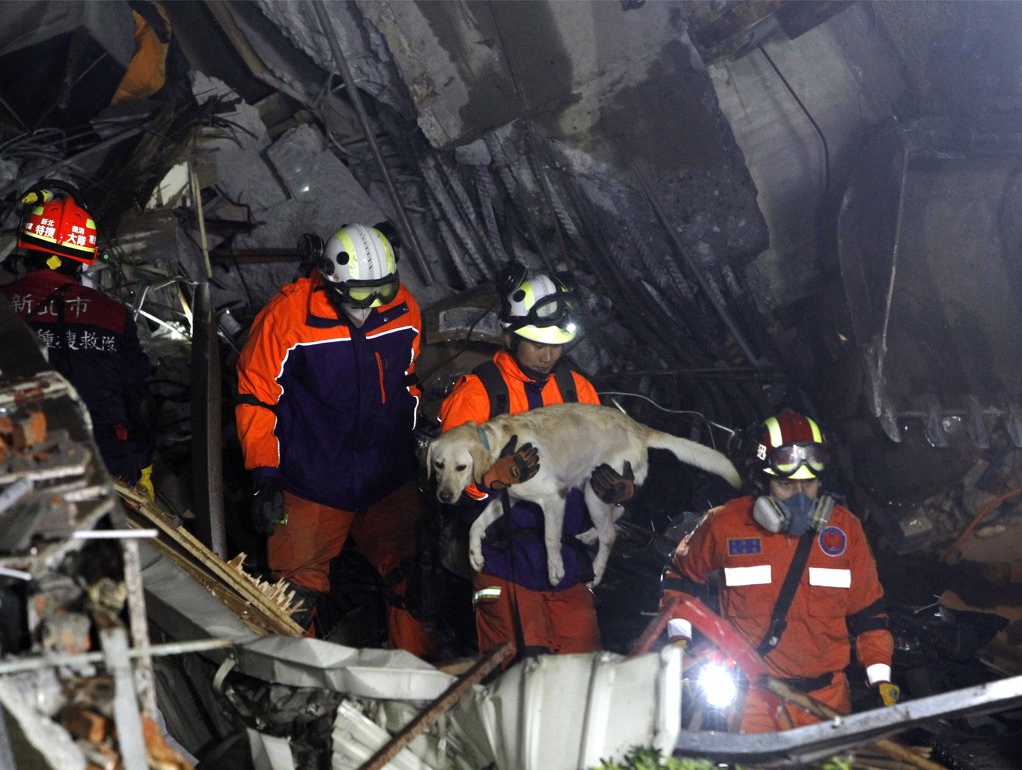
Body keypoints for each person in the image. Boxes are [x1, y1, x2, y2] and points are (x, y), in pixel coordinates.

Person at [235, 223, 434, 659]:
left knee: (415, 582)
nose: (374, 305)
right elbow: (256, 398)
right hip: (313, 480)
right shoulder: (289, 316)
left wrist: (415, 441)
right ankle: (303, 696)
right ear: (331, 280)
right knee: (292, 600)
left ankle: (416, 685)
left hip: (386, 479)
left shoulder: (403, 309)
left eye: (383, 290)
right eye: (361, 295)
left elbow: (408, 381)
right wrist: (264, 475)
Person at [437, 266, 633, 668]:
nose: (548, 355)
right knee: (517, 674)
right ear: (509, 336)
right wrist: (489, 479)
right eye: (537, 344)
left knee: (581, 670)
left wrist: (616, 488)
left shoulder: (577, 389)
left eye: (557, 344)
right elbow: (448, 489)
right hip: (502, 558)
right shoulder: (479, 394)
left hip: (565, 557)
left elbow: (607, 458)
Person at [662, 409, 895, 732]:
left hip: (826, 701)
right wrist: (679, 646)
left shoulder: (845, 531)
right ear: (762, 481)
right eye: (786, 484)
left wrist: (881, 680)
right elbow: (681, 578)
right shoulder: (726, 524)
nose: (800, 498)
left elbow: (870, 615)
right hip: (751, 701)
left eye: (809, 483)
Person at [0, 185, 155, 492]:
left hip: (18, 453)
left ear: (26, 248)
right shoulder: (114, 315)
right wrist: (143, 462)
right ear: (83, 259)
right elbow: (136, 397)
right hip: (106, 459)